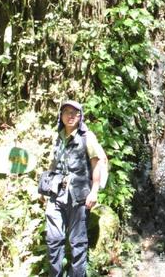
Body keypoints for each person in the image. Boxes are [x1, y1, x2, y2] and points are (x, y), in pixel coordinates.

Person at [45, 100, 108, 277]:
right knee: (53, 239)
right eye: (67, 112)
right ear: (61, 115)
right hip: (56, 194)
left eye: (75, 113)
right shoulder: (58, 137)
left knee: (77, 242)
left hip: (78, 196)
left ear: (80, 117)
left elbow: (97, 164)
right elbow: (53, 164)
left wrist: (94, 191)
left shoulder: (88, 137)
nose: (71, 116)